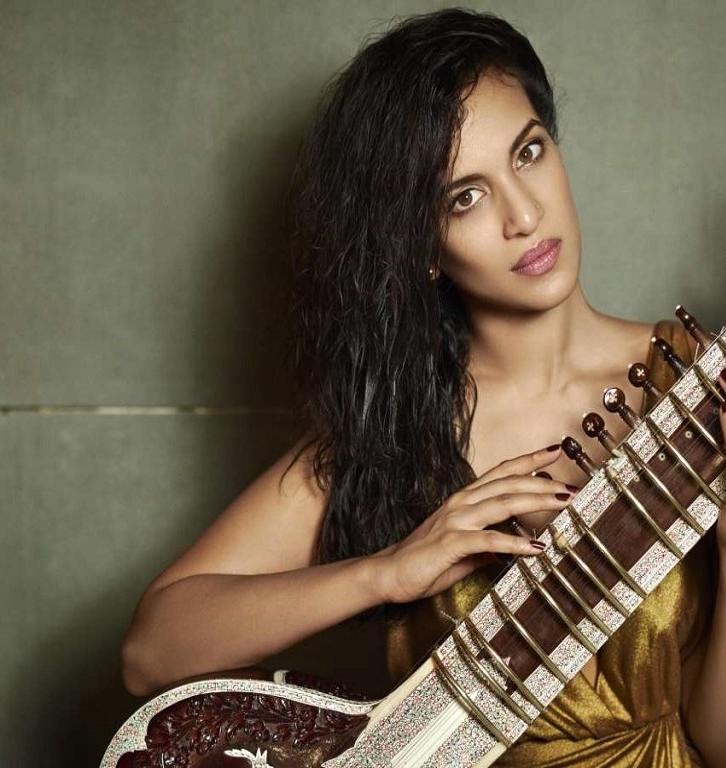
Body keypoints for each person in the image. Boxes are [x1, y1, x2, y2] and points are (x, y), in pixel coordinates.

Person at [120, 9, 726, 766]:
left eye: (528, 152)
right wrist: (389, 571)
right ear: (421, 244)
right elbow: (151, 650)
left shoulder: (702, 394)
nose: (524, 214)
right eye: (464, 197)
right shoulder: (398, 434)